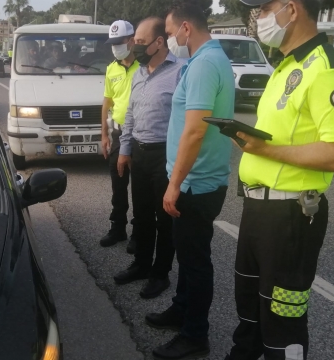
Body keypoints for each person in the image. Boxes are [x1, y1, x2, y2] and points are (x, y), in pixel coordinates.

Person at [226, 1, 334, 359]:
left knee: (282, 324)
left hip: (290, 217)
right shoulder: (287, 65)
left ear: (291, 8)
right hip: (258, 210)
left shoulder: (327, 69)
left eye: (265, 7)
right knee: (249, 313)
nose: (260, 17)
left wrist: (264, 151)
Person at [145, 2, 235, 359]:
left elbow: (195, 131)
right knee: (187, 254)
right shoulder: (208, 59)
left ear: (185, 28)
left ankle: (195, 335)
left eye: (168, 34)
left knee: (196, 262)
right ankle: (181, 309)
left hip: (195, 184)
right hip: (196, 180)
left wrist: (174, 183)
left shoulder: (204, 65)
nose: (169, 40)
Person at [114, 17, 184, 299]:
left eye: (140, 42)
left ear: (159, 42)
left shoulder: (181, 72)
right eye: (134, 42)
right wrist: (124, 149)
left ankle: (160, 274)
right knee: (141, 214)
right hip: (139, 154)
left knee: (163, 218)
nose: (135, 47)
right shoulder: (140, 73)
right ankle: (141, 264)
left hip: (164, 155)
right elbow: (130, 113)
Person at [98, 20, 139, 253]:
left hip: (140, 135)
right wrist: (104, 133)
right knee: (118, 184)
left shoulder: (144, 67)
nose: (115, 47)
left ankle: (139, 232)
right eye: (112, 43)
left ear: (132, 41)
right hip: (119, 132)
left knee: (141, 188)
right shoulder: (111, 68)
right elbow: (106, 103)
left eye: (119, 42)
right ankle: (118, 227)